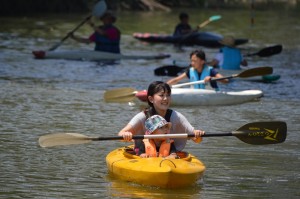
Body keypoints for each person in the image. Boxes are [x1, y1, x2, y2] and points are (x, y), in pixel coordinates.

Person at [118, 81, 204, 152]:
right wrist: (126, 134)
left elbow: (196, 140)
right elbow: (120, 135)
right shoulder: (142, 116)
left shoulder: (177, 117)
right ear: (151, 99)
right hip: (145, 155)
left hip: (169, 154)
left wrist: (198, 135)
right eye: (161, 95)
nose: (166, 99)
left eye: (168, 95)